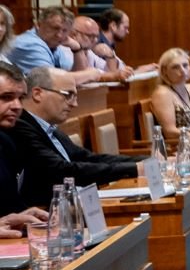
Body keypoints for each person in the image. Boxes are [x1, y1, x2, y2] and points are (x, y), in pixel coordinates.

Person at [6, 67, 142, 207]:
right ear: (37, 94)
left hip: (77, 207)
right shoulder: (20, 127)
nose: (74, 103)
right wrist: (133, 169)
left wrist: (143, 161)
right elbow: (62, 171)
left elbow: (87, 157)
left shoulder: (49, 127)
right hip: (51, 214)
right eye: (68, 94)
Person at [0, 60, 49, 237]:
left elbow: (10, 205)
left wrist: (24, 214)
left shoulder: (6, 142)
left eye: (20, 98)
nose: (17, 106)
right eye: (6, 97)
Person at [1, 8, 107, 85]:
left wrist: (77, 48)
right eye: (54, 28)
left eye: (64, 30)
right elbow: (52, 82)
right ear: (38, 25)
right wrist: (90, 74)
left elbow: (76, 73)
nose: (59, 35)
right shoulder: (30, 44)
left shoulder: (53, 44)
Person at [148, 49, 190, 146]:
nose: (182, 70)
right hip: (179, 146)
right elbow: (170, 132)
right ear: (164, 71)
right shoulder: (162, 94)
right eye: (175, 67)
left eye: (185, 65)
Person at [71, 15, 132, 80]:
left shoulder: (89, 52)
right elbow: (80, 76)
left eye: (96, 36)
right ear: (74, 34)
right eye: (91, 36)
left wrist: (110, 55)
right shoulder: (65, 51)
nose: (96, 40)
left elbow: (111, 72)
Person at [94, 8, 132, 73]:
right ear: (113, 26)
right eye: (125, 28)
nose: (127, 32)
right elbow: (112, 73)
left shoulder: (110, 44)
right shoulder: (99, 45)